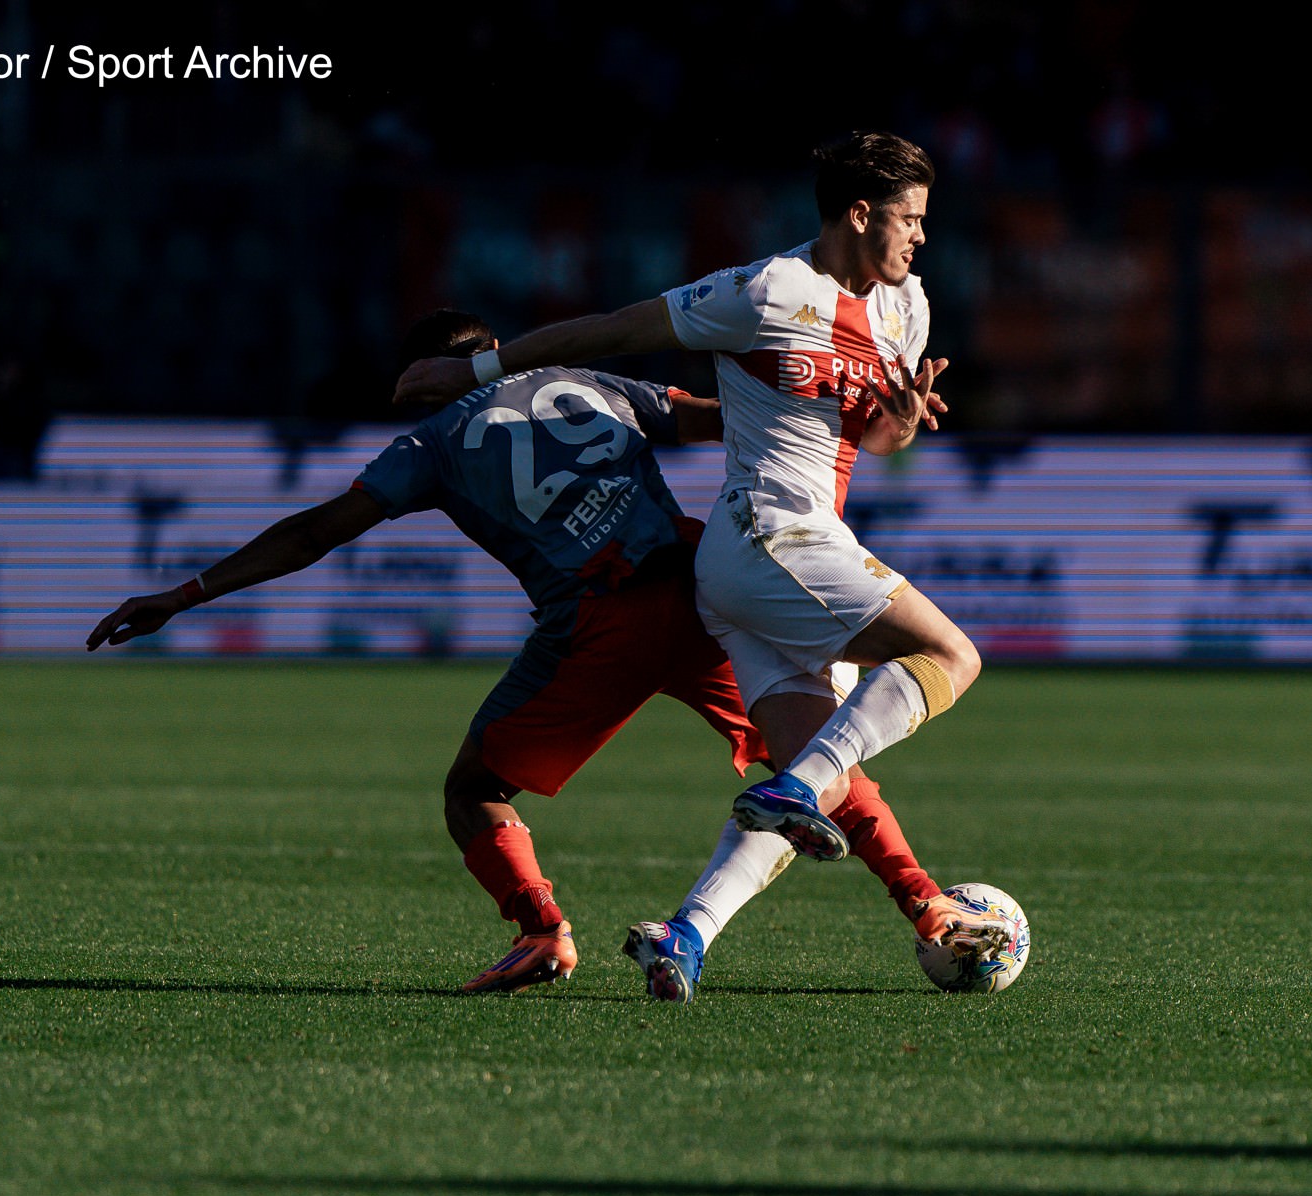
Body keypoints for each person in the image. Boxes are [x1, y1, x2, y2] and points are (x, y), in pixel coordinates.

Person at [90, 308, 977, 996]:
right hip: (705, 587)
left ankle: (543, 929)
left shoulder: (429, 443)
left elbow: (316, 531)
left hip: (600, 623)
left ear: (426, 375)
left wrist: (184, 593)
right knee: (810, 754)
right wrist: (863, 413)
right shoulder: (584, 382)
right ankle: (928, 906)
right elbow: (726, 421)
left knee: (473, 787)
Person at [393, 133, 1010, 1004]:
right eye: (908, 219)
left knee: (821, 776)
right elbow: (613, 330)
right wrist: (478, 367)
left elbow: (870, 437)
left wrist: (901, 420)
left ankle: (685, 937)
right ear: (859, 213)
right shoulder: (768, 290)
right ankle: (794, 794)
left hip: (776, 561)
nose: (921, 238)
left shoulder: (908, 308)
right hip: (768, 536)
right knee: (955, 658)